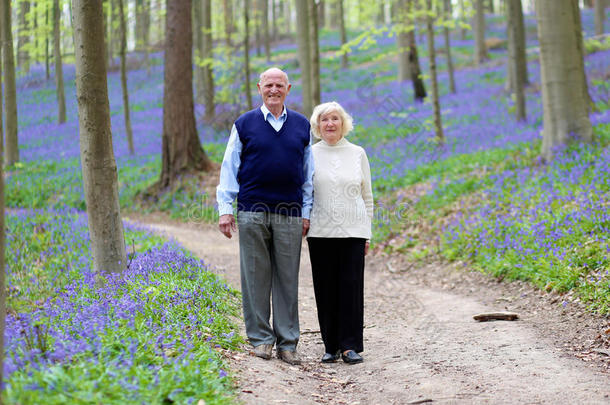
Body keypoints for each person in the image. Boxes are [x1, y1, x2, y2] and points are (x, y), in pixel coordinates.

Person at [216, 67, 313, 366]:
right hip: (251, 210)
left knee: (287, 277)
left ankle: (288, 343)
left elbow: (308, 175)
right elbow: (229, 167)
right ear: (259, 88)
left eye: (279, 85)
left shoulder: (301, 125)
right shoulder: (244, 124)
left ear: (288, 88)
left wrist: (306, 212)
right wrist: (225, 209)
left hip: (290, 212)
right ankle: (261, 339)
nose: (274, 90)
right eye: (268, 85)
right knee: (255, 276)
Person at [307, 101, 373, 364]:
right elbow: (305, 193)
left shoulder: (357, 153)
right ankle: (330, 345)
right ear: (317, 126)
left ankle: (350, 345)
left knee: (351, 287)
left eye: (335, 119)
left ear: (343, 123)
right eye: (324, 120)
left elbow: (367, 196)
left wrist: (368, 232)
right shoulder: (310, 153)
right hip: (320, 231)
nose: (330, 124)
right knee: (325, 288)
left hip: (353, 231)